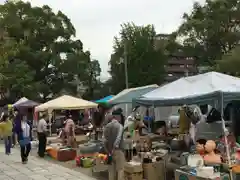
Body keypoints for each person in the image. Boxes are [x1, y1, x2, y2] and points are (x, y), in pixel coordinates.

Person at [103, 110, 125, 180]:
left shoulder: (107, 126)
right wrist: (114, 149)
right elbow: (118, 139)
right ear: (118, 117)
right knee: (120, 170)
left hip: (109, 151)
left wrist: (108, 151)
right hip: (118, 151)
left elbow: (104, 141)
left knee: (111, 171)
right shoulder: (120, 126)